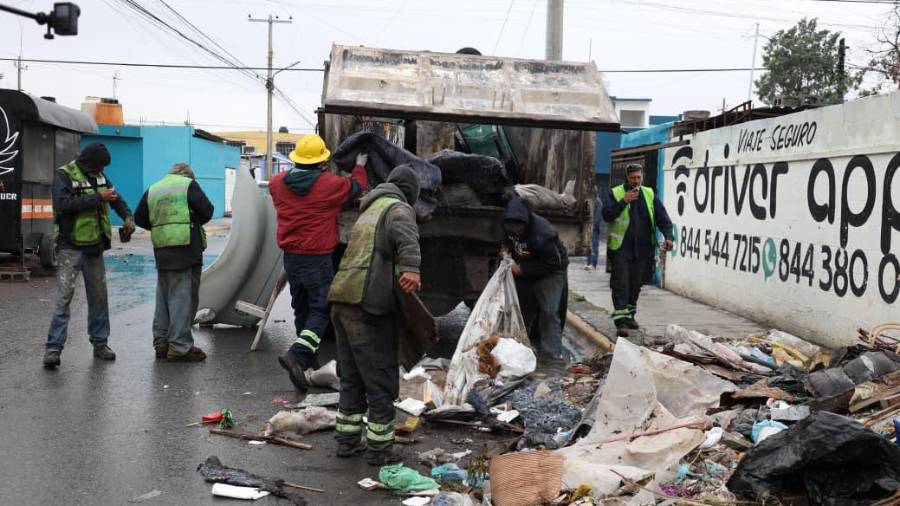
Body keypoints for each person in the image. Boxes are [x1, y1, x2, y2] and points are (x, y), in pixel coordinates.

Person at [328, 164, 421, 466]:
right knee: (380, 376)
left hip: (342, 300)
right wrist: (411, 267)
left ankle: (347, 441)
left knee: (352, 377)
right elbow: (405, 234)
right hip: (366, 305)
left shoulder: (368, 209)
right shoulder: (397, 208)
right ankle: (380, 449)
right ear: (410, 193)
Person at [268, 133, 368, 391]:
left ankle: (307, 365)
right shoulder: (328, 185)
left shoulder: (278, 183)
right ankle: (298, 354)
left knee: (302, 309)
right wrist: (360, 166)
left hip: (292, 258)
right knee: (322, 309)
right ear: (322, 162)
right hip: (316, 258)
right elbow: (355, 187)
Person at [43, 142, 134, 369]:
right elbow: (63, 204)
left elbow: (116, 199)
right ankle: (53, 348)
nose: (101, 170)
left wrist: (127, 217)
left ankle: (100, 343)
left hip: (94, 248)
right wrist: (98, 198)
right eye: (99, 166)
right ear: (89, 163)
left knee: (99, 298)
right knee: (64, 299)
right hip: (70, 247)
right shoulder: (65, 175)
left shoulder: (100, 177)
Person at [134, 163, 214, 362]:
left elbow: (140, 217)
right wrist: (190, 220)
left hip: (162, 248)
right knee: (182, 298)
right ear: (187, 176)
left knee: (163, 296)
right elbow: (207, 211)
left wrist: (163, 227)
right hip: (185, 248)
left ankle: (162, 342)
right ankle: (179, 346)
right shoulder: (188, 185)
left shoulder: (154, 188)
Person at [601, 163, 674, 332]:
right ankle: (621, 322)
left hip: (642, 249)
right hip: (621, 248)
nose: (636, 181)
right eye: (633, 178)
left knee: (636, 284)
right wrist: (623, 201)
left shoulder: (649, 194)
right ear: (627, 178)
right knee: (621, 283)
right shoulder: (616, 193)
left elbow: (663, 218)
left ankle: (630, 315)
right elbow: (606, 215)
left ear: (642, 176)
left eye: (638, 177)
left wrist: (668, 237)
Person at [501, 196, 569, 360]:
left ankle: (552, 355)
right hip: (524, 270)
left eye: (519, 230)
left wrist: (522, 269)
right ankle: (522, 349)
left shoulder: (543, 234)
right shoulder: (507, 225)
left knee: (549, 311)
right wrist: (505, 250)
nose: (516, 232)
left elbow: (553, 263)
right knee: (521, 311)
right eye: (513, 230)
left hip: (550, 272)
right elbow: (506, 241)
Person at [585, 188, 602, 270]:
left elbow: (597, 218)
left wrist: (593, 227)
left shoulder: (598, 202)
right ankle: (588, 263)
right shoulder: (591, 201)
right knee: (589, 246)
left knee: (594, 246)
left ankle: (593, 264)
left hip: (594, 229)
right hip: (589, 228)